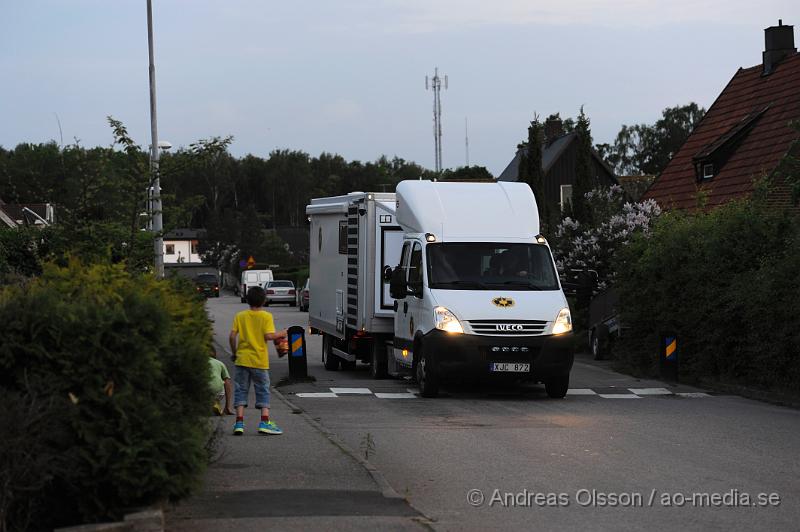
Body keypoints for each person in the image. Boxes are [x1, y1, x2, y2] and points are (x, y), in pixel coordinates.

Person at [229, 285, 288, 436]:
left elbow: (232, 336)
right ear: (263, 301)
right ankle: (264, 422)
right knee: (263, 390)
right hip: (259, 361)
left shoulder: (240, 316)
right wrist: (282, 333)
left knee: (241, 390)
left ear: (247, 300)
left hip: (242, 360)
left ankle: (239, 423)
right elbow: (269, 336)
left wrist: (235, 353)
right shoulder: (266, 316)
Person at [209, 347, 234, 416]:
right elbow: (227, 382)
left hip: (203, 393)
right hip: (218, 393)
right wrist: (227, 406)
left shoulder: (197, 363)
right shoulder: (220, 363)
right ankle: (215, 403)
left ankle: (210, 404)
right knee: (225, 381)